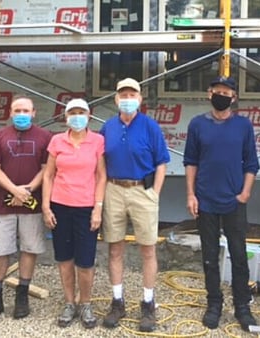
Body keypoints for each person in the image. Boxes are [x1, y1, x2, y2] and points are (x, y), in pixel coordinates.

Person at [183, 76, 260, 332]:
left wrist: (246, 192)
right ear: (209, 93)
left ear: (234, 97)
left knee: (239, 256)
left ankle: (242, 307)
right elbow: (191, 162)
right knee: (209, 257)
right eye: (217, 91)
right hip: (205, 201)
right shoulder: (197, 125)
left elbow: (251, 163)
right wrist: (191, 195)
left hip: (234, 201)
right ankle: (214, 304)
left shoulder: (243, 126)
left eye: (227, 92)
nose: (222, 95)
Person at [99, 78, 170, 332]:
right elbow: (101, 163)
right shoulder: (108, 127)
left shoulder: (150, 126)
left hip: (143, 190)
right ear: (116, 99)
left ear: (140, 99)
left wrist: (155, 193)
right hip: (114, 189)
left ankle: (148, 303)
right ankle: (117, 301)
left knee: (148, 250)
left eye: (132, 94)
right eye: (123, 95)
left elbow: (162, 162)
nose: (127, 99)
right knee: (115, 248)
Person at [0, 95, 52, 323]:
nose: (21, 115)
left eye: (25, 111)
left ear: (34, 113)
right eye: (17, 111)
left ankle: (22, 294)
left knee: (29, 248)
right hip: (4, 203)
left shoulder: (44, 137)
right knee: (0, 250)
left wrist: (29, 189)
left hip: (31, 204)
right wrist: (14, 190)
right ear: (10, 113)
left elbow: (47, 169)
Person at [41, 99, 106, 329]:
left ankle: (85, 303)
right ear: (65, 117)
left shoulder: (97, 140)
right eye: (72, 113)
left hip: (86, 207)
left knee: (86, 260)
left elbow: (101, 176)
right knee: (64, 257)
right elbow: (48, 175)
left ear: (89, 116)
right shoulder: (57, 140)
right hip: (60, 205)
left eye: (81, 112)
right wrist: (46, 207)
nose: (76, 116)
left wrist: (98, 207)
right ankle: (69, 302)